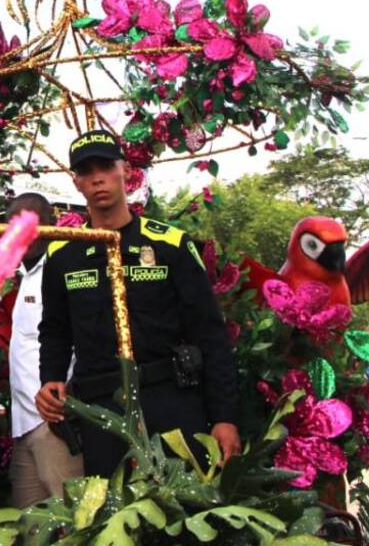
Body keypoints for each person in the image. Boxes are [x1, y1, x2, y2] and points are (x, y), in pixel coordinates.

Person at [36, 130, 241, 479]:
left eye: (106, 166)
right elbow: (55, 330)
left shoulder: (169, 244)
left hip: (172, 399)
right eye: (86, 171)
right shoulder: (61, 254)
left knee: (187, 515)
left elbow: (210, 334)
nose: (97, 178)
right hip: (102, 407)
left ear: (126, 171)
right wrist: (50, 378)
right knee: (117, 522)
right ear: (77, 183)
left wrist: (225, 417)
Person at [3, 194, 84, 508]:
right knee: (31, 527)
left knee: (75, 524)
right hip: (24, 426)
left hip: (55, 426)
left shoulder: (62, 271)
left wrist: (67, 406)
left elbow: (76, 343)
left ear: (51, 225)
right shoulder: (26, 276)